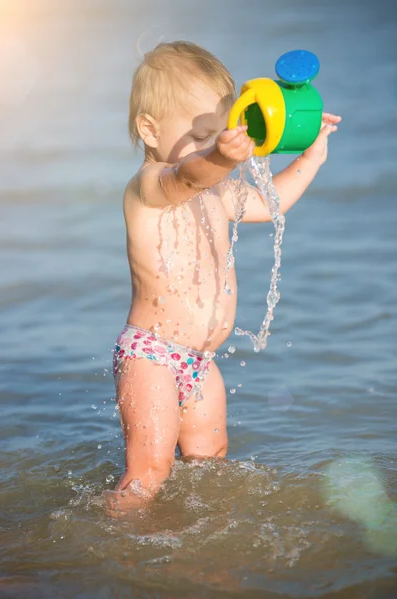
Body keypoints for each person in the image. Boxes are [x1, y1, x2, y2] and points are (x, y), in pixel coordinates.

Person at [104, 40, 341, 515]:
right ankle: (110, 545)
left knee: (209, 463)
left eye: (223, 131)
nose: (215, 144)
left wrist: (311, 159)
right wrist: (221, 158)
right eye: (202, 136)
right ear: (149, 129)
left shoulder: (223, 190)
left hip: (200, 361)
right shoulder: (149, 185)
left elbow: (271, 202)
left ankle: (192, 539)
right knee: (147, 473)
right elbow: (187, 177)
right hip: (151, 353)